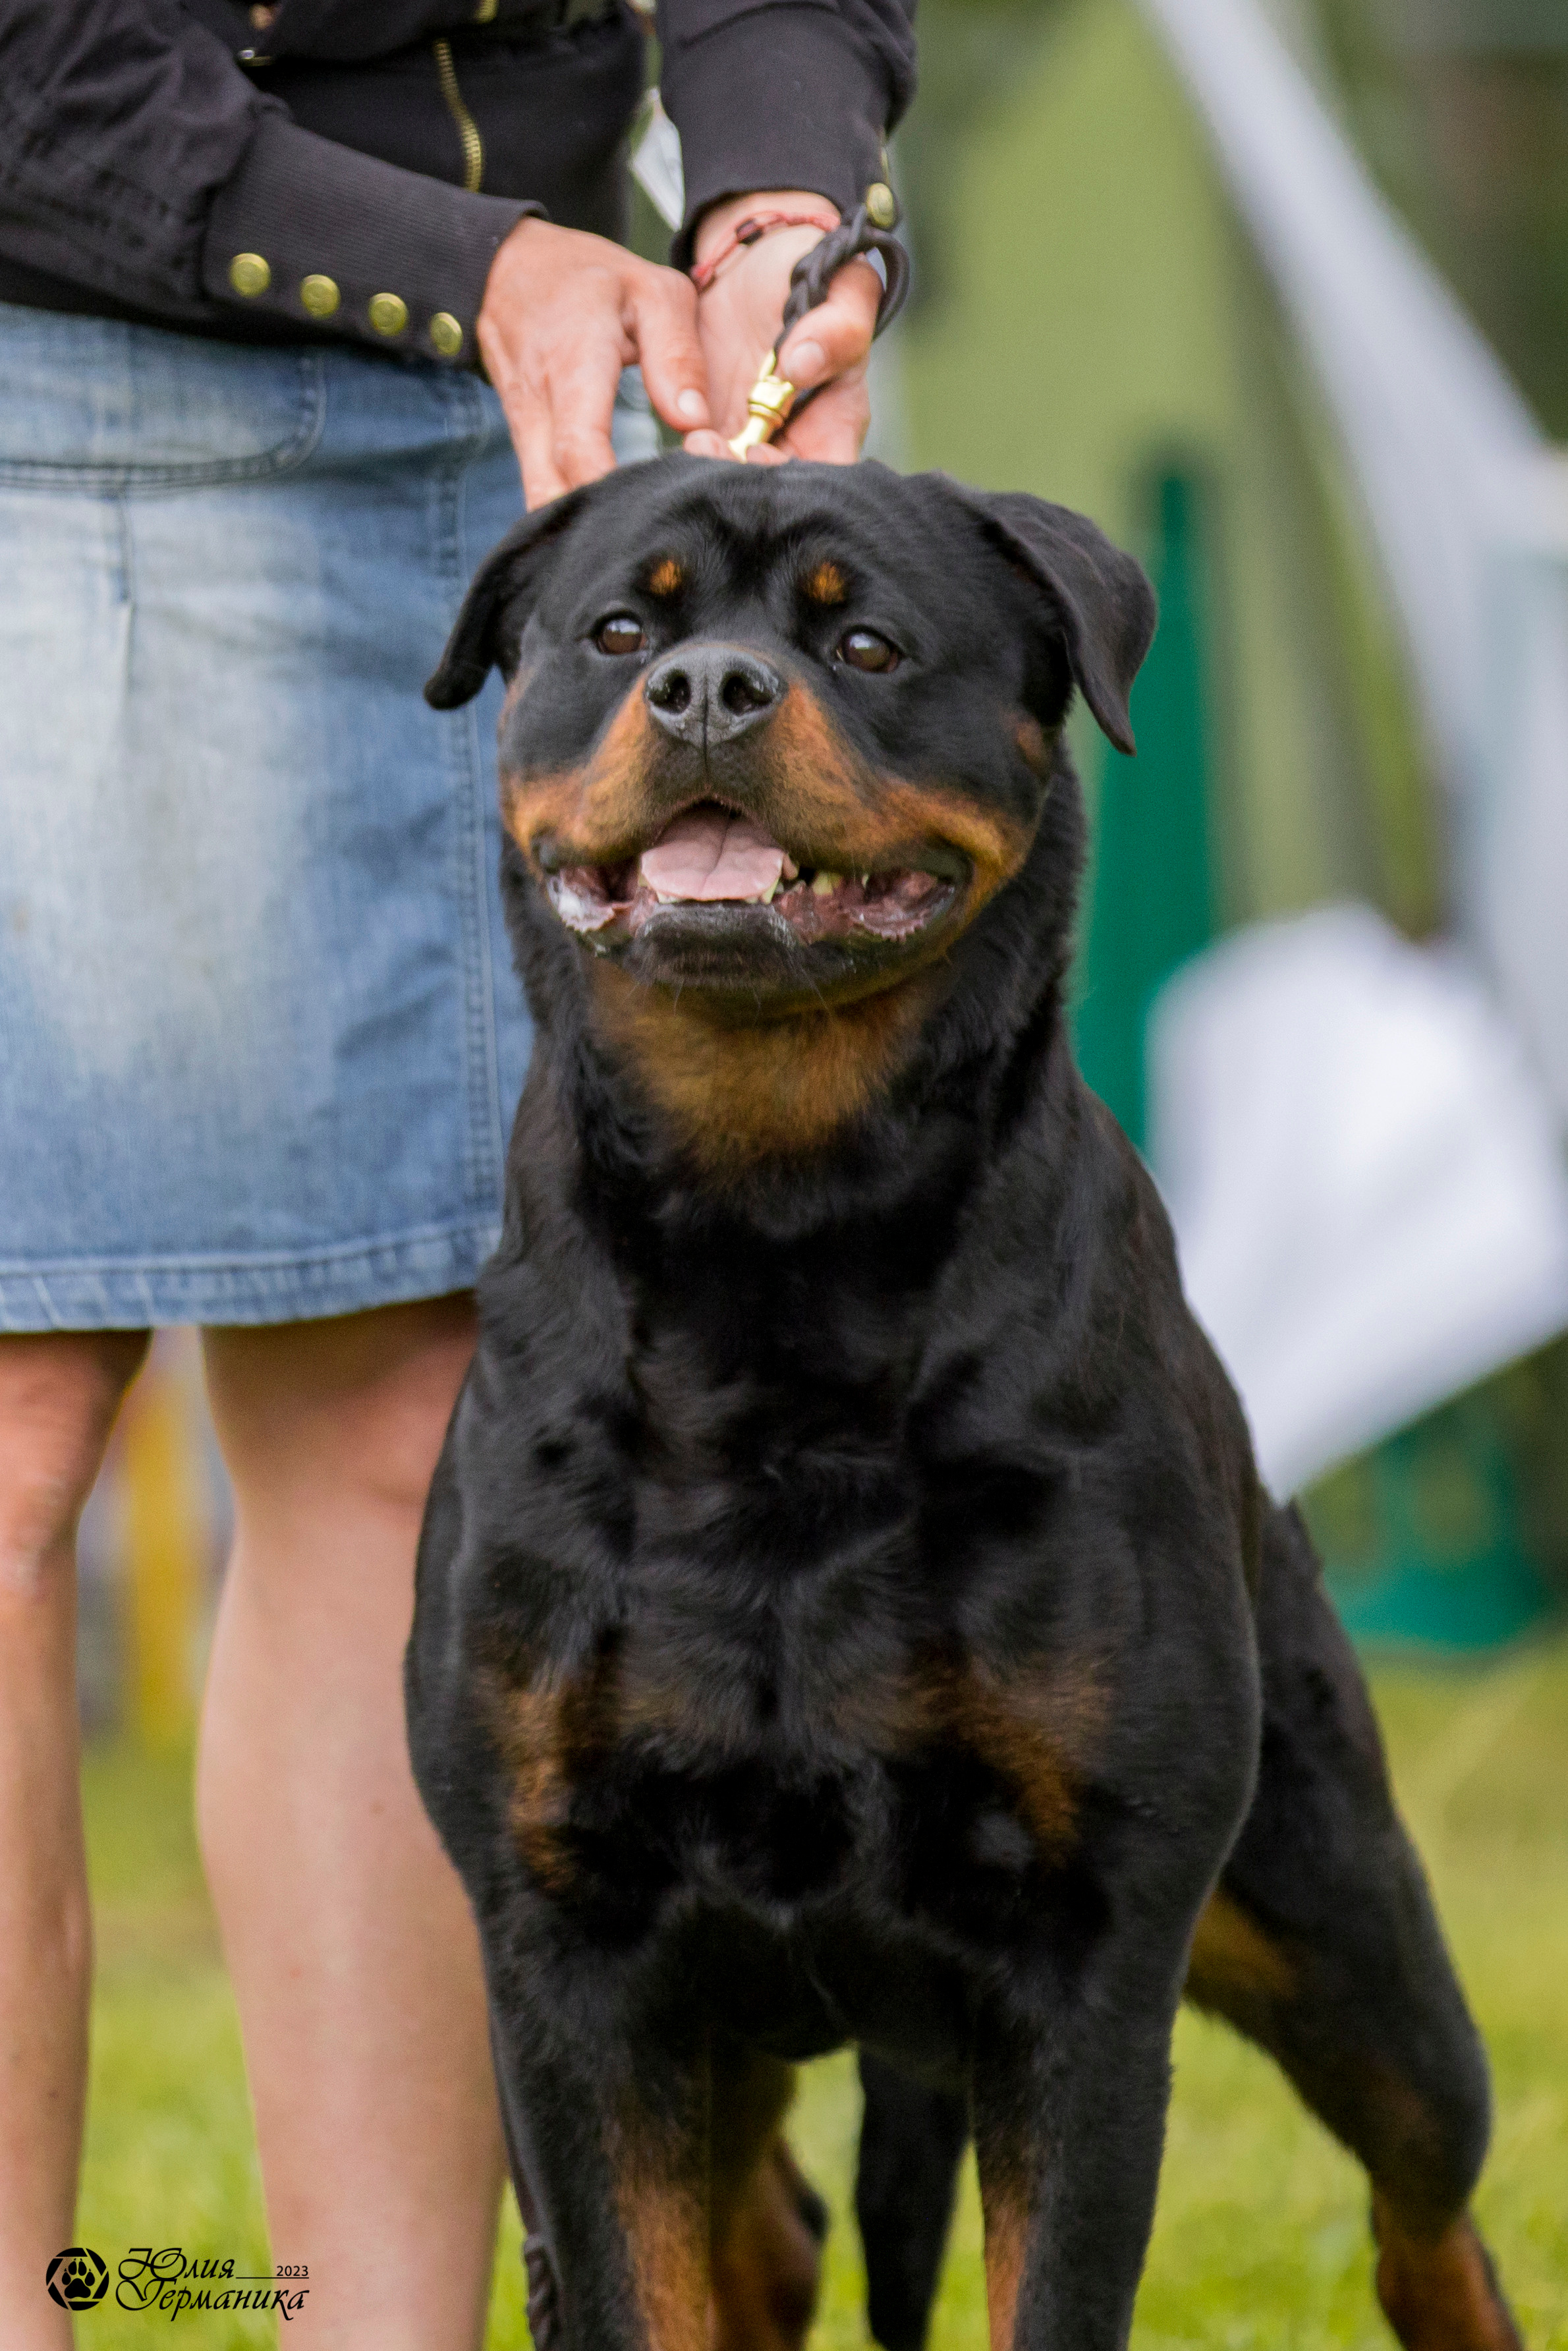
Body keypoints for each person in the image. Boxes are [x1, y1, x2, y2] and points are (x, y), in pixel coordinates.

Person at [0, 1, 912, 2341]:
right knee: (9, 1443)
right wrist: (495, 265)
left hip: (508, 424)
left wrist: (780, 196)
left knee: (400, 1424)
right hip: (53, 366)